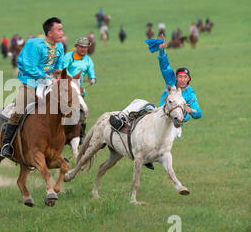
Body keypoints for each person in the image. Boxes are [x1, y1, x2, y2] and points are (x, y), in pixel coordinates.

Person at [110, 35, 201, 169]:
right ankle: (121, 119)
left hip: (175, 124)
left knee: (162, 141)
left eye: (185, 77)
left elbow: (198, 113)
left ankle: (149, 158)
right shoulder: (171, 82)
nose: (182, 79)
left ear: (189, 79)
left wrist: (191, 111)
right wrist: (162, 51)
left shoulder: (190, 93)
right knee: (140, 103)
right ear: (176, 77)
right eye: (180, 76)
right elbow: (165, 67)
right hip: (160, 112)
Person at [0, 17, 65, 158]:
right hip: (30, 84)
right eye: (58, 30)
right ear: (49, 33)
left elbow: (59, 66)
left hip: (50, 85)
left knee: (65, 107)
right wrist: (45, 77)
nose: (61, 33)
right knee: (19, 110)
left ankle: (59, 147)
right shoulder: (34, 45)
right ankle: (7, 144)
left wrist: (59, 76)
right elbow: (29, 67)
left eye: (61, 29)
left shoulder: (59, 47)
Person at [62, 37, 96, 143]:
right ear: (76, 46)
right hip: (66, 86)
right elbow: (64, 68)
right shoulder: (68, 56)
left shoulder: (88, 60)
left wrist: (92, 78)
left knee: (83, 111)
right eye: (81, 47)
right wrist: (71, 77)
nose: (83, 49)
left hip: (79, 90)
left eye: (85, 47)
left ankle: (81, 134)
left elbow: (91, 71)